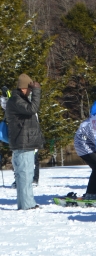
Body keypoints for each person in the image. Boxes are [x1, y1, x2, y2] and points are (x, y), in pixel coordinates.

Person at [5, 74, 44, 210]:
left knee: (24, 174)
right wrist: (37, 92)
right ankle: (27, 205)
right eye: (30, 89)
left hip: (23, 141)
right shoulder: (16, 100)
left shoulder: (17, 99)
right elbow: (32, 109)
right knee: (25, 174)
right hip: (23, 142)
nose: (31, 91)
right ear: (23, 88)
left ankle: (25, 204)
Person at [73, 117, 96, 199]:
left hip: (90, 148)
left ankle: (94, 191)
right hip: (84, 148)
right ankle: (93, 192)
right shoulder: (90, 124)